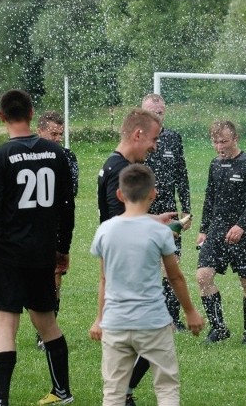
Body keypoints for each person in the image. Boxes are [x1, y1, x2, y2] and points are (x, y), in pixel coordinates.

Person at [0, 89, 75, 406]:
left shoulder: (0, 156)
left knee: (6, 325)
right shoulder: (57, 155)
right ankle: (62, 392)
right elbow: (67, 207)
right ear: (32, 113)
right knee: (47, 322)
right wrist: (63, 248)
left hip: (9, 254)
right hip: (42, 253)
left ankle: (1, 401)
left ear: (1, 116)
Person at [89, 164, 204, 406]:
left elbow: (104, 278)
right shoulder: (160, 232)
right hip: (152, 322)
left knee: (113, 392)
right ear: (153, 193)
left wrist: (99, 318)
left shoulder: (105, 231)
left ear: (120, 195)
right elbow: (175, 278)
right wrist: (191, 312)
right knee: (166, 387)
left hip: (115, 322)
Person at [94, 107, 176, 406]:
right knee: (154, 335)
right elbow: (124, 222)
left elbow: (123, 220)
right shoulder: (119, 170)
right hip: (127, 269)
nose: (154, 146)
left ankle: (123, 392)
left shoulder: (113, 164)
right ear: (138, 134)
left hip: (119, 263)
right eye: (153, 139)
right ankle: (124, 392)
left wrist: (159, 220)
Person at [196, 120, 246, 344]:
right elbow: (210, 198)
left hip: (244, 233)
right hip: (216, 231)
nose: (219, 146)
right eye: (215, 142)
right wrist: (204, 229)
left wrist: (241, 225)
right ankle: (219, 327)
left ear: (236, 139)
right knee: (203, 276)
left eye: (223, 141)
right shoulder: (214, 164)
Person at [142, 94, 191, 332]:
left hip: (169, 210)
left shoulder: (173, 138)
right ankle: (149, 317)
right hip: (143, 211)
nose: (156, 117)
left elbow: (181, 175)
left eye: (160, 113)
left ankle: (172, 319)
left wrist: (187, 207)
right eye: (152, 112)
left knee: (172, 265)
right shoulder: (136, 139)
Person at [35, 111, 80, 350]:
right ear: (40, 130)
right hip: (29, 227)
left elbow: (68, 195)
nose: (57, 138)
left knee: (54, 277)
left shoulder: (68, 157)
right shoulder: (28, 155)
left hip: (55, 226)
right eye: (53, 133)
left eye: (60, 134)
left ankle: (46, 333)